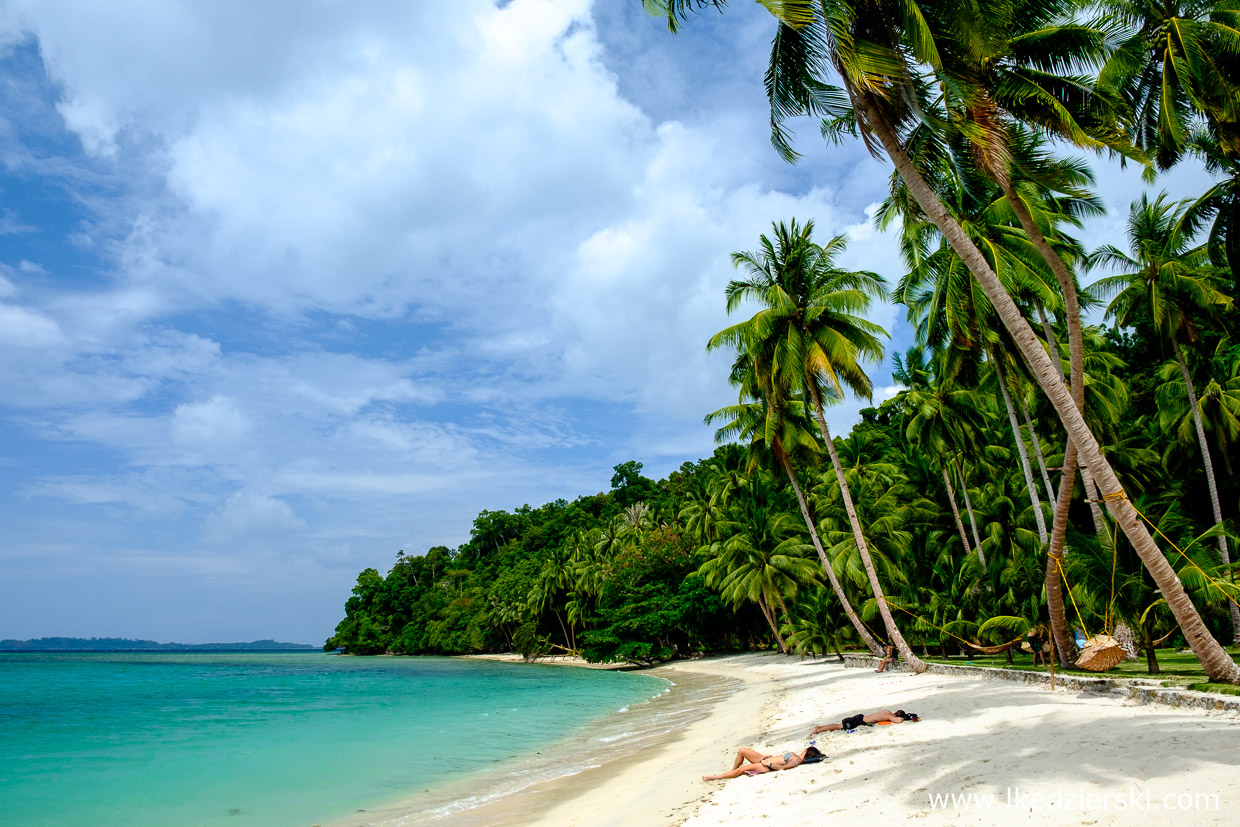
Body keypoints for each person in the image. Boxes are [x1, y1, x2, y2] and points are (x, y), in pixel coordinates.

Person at [702, 745, 823, 781]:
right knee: (741, 751)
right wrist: (767, 758)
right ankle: (731, 771)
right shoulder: (796, 756)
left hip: (765, 766)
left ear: (807, 752)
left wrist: (768, 764)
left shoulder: (797, 760)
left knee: (742, 769)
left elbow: (783, 768)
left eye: (806, 749)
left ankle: (716, 777)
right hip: (764, 760)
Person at [810, 709, 920, 735]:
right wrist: (906, 718)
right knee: (840, 726)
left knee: (840, 726)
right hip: (859, 721)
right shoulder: (890, 716)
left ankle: (819, 728)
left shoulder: (887, 711)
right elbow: (897, 720)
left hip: (861, 717)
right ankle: (818, 728)